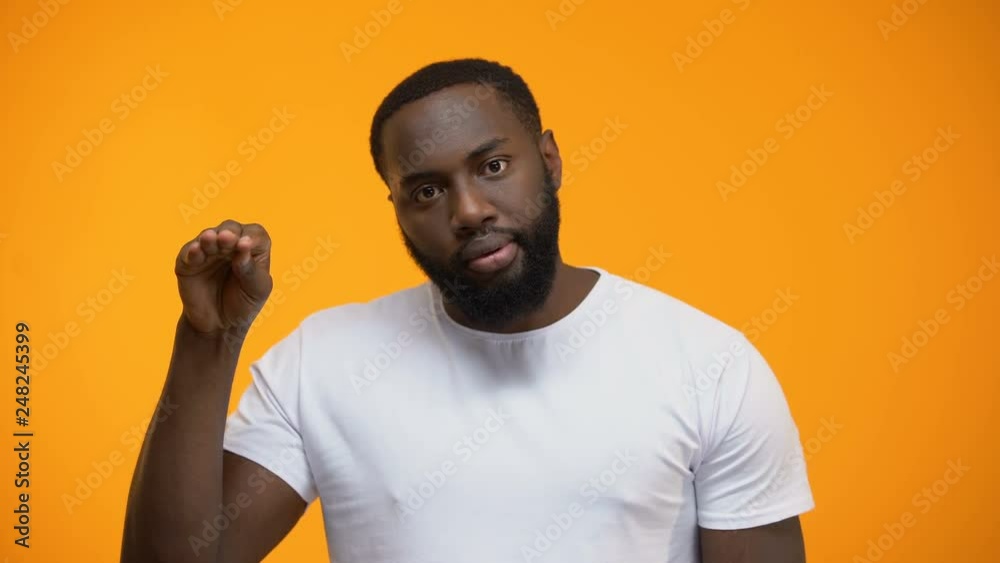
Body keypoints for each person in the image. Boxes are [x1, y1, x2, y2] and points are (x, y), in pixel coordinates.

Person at [120, 58, 814, 563]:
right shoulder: (324, 361)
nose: (469, 209)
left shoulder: (708, 363)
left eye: (491, 167)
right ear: (395, 210)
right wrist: (207, 340)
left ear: (549, 159)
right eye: (426, 191)